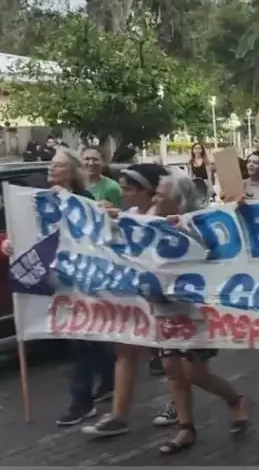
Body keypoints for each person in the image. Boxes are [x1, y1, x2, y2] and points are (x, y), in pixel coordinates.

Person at [1, 149, 115, 426]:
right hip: (56, 278)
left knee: (80, 339)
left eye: (59, 165)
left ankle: (81, 401)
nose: (52, 168)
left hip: (81, 278)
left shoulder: (84, 201)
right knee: (86, 338)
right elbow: (24, 231)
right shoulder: (38, 200)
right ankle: (110, 377)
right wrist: (8, 244)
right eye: (51, 164)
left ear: (72, 171)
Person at [153, 172, 249, 455]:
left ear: (178, 200)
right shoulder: (146, 219)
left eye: (161, 193)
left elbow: (220, 249)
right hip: (164, 309)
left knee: (193, 372)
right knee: (172, 370)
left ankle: (235, 400)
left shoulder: (199, 224)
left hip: (196, 311)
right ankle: (185, 429)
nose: (155, 197)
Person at [82, 163, 173, 438]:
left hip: (167, 297)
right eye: (121, 188)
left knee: (175, 359)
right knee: (125, 350)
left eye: (129, 189)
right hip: (135, 296)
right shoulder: (128, 214)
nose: (123, 194)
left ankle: (185, 403)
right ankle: (119, 415)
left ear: (147, 191)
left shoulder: (166, 215)